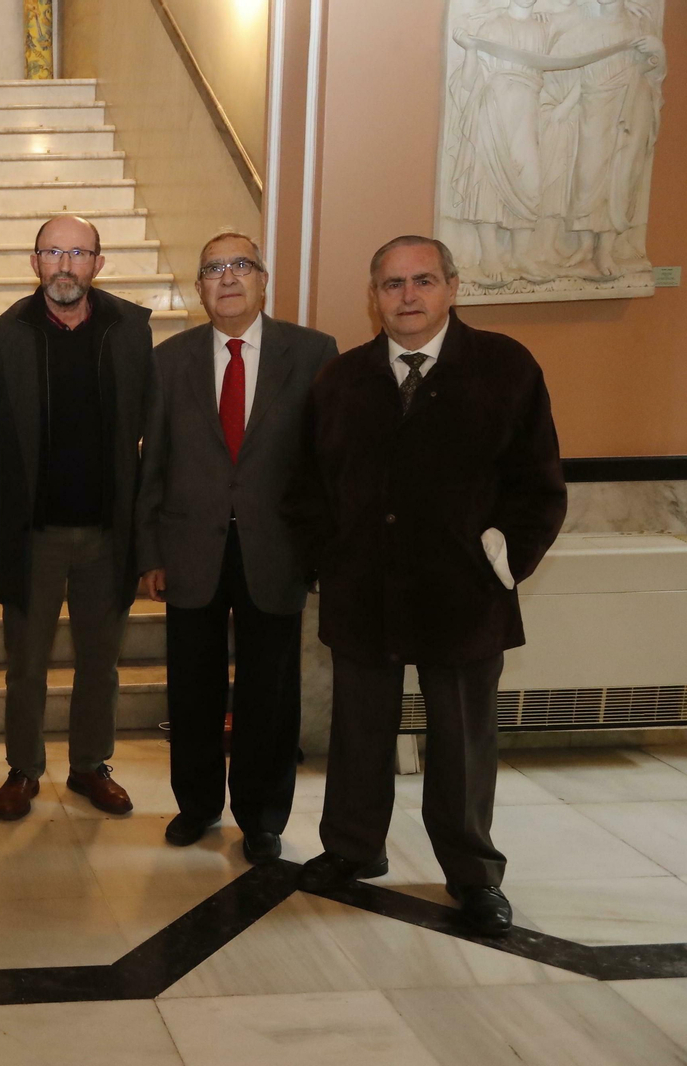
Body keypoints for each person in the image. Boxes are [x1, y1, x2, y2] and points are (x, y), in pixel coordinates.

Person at [291, 235, 566, 937]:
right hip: (364, 592)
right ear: (373, 296)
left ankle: (473, 874)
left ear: (452, 287)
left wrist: (505, 560)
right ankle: (352, 847)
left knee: (463, 741)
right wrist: (326, 561)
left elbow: (538, 485)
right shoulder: (340, 379)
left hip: (464, 595)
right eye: (392, 284)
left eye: (422, 281)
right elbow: (307, 487)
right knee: (358, 731)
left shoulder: (505, 367)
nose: (407, 296)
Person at [137, 232, 338, 864]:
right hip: (189, 549)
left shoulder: (312, 353)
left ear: (263, 279)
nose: (227, 278)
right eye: (213, 269)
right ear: (199, 287)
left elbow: (326, 461)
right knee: (191, 688)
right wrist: (149, 553)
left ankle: (262, 815)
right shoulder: (169, 360)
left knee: (269, 693)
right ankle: (197, 805)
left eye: (241, 265)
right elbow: (152, 465)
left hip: (276, 550)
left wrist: (319, 550)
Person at [0, 214, 151, 821]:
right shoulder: (3, 337)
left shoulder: (132, 330)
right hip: (34, 536)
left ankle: (89, 765)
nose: (65, 265)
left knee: (101, 662)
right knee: (26, 666)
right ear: (35, 262)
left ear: (98, 262)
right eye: (53, 252)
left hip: (108, 533)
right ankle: (23, 768)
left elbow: (149, 431)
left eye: (78, 253)